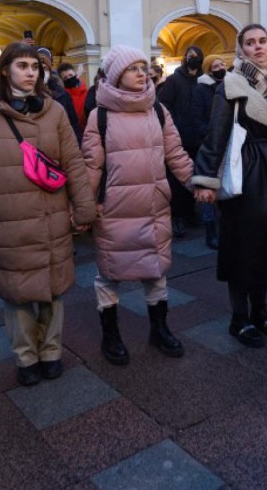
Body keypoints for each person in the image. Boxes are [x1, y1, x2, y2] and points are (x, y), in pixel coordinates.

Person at [0, 42, 96, 386]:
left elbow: (73, 161)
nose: (31, 72)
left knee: (53, 291)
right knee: (17, 294)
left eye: (35, 66)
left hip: (51, 215)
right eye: (22, 66)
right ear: (5, 70)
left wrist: (84, 206)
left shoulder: (54, 110)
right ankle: (26, 357)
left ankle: (51, 351)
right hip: (10, 218)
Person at [82, 46, 193, 364]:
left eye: (144, 68)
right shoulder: (100, 116)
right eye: (134, 68)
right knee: (109, 273)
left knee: (156, 271)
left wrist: (197, 184)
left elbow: (175, 153)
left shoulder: (158, 110)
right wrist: (84, 208)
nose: (142, 74)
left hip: (153, 205)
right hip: (114, 209)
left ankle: (160, 329)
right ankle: (111, 335)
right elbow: (91, 166)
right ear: (117, 74)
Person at [192, 24, 267, 348]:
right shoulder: (231, 84)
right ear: (241, 49)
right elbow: (216, 132)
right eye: (250, 42)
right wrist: (205, 178)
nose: (258, 47)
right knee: (243, 249)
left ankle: (261, 312)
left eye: (263, 41)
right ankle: (239, 319)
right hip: (246, 173)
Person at [157, 45, 207, 238]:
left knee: (195, 175)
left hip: (198, 137)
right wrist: (175, 123)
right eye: (190, 56)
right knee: (177, 180)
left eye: (196, 56)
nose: (193, 59)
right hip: (179, 136)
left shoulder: (203, 79)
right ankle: (177, 216)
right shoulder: (174, 80)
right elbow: (163, 104)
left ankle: (190, 212)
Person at [194, 56, 228, 248]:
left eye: (222, 64)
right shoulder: (201, 89)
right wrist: (212, 133)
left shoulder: (230, 85)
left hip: (228, 144)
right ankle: (210, 231)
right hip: (209, 144)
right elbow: (197, 119)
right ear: (209, 69)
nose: (221, 68)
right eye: (216, 66)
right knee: (208, 185)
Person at [36, 47, 82, 140]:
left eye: (45, 68)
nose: (42, 72)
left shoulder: (63, 95)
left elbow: (74, 125)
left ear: (50, 70)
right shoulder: (27, 95)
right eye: (38, 68)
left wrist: (77, 144)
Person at [56, 62, 89, 130]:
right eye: (65, 77)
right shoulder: (62, 97)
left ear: (75, 75)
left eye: (71, 75)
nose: (69, 78)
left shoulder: (86, 93)